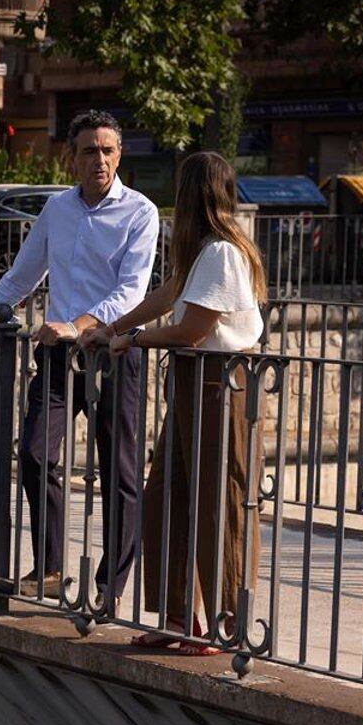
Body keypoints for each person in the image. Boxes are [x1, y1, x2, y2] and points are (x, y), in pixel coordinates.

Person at [0, 110, 159, 605]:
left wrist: (80, 324)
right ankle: (51, 570)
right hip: (60, 355)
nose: (99, 159)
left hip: (113, 351)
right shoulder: (57, 210)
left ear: (119, 155)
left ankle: (108, 587)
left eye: (108, 150)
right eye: (88, 150)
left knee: (119, 473)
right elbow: (21, 276)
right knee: (34, 453)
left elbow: (132, 291)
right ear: (70, 157)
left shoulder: (141, 211)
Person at [83, 150, 268, 655]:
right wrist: (111, 327)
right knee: (167, 495)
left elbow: (192, 329)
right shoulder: (205, 252)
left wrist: (133, 340)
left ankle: (225, 624)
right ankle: (178, 616)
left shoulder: (224, 252)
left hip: (220, 384)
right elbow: (168, 296)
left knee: (219, 505)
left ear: (192, 196)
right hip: (194, 382)